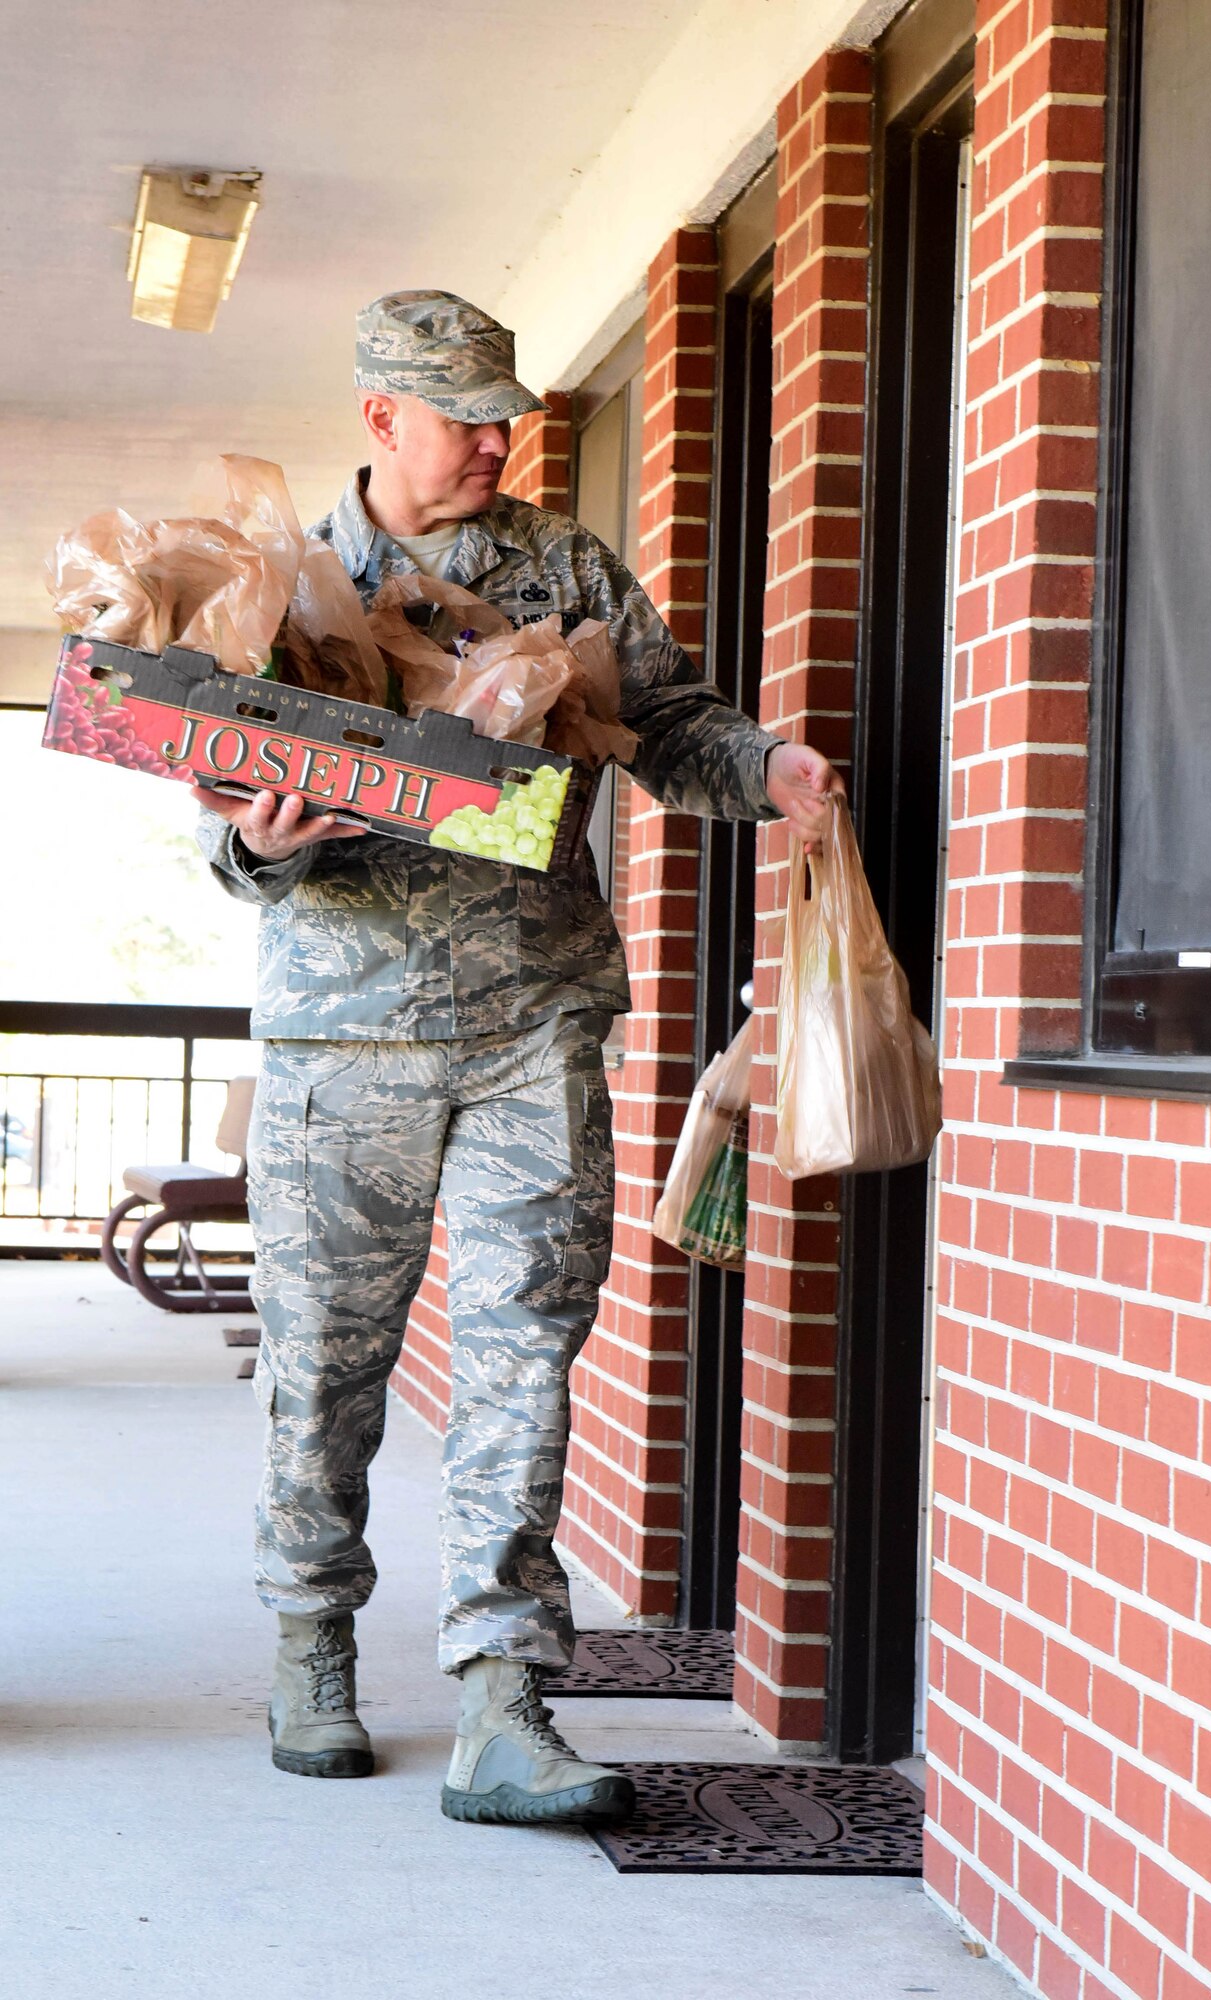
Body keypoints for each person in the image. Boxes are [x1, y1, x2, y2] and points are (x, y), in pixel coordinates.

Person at [196, 290, 837, 1827]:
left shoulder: (563, 566)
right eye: (465, 416)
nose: (496, 442)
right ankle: (311, 1642)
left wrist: (774, 767)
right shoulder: (276, 578)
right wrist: (253, 849)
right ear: (380, 419)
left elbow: (665, 722)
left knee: (523, 1358)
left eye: (507, 416)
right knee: (324, 1366)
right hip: (339, 1037)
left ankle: (503, 1696)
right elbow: (211, 794)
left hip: (533, 1027)